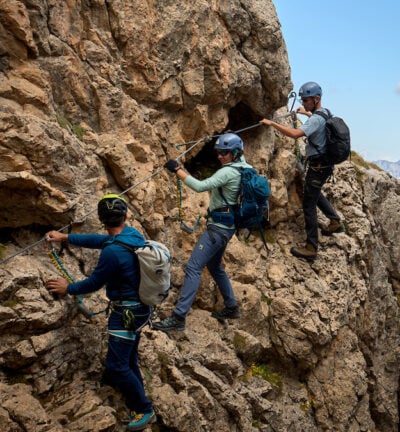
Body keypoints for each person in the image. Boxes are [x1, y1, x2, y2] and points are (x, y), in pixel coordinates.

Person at [45, 194, 156, 431]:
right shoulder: (132, 235)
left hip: (125, 313)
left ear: (101, 220)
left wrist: (68, 288)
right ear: (125, 215)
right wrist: (67, 237)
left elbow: (94, 283)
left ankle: (145, 409)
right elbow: (101, 240)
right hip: (141, 308)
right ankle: (136, 397)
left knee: (117, 366)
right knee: (128, 358)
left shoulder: (112, 253)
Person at [152, 133, 249, 332]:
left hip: (217, 229)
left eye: (224, 153)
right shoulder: (245, 168)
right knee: (215, 267)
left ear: (235, 153)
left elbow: (199, 186)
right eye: (218, 153)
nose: (220, 156)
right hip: (228, 228)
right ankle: (231, 307)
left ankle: (178, 317)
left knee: (193, 268)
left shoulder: (227, 173)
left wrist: (177, 169)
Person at [260, 81, 344, 261]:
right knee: (314, 192)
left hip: (318, 166)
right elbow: (318, 122)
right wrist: (305, 113)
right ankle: (335, 220)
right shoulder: (325, 112)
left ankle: (311, 247)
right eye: (303, 100)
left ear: (316, 99)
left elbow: (296, 134)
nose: (304, 102)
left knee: (308, 204)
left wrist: (272, 124)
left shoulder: (315, 119)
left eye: (306, 100)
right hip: (326, 165)